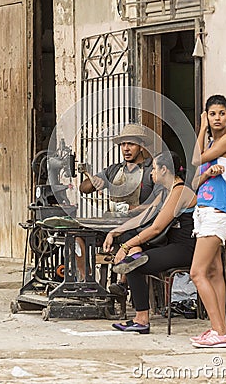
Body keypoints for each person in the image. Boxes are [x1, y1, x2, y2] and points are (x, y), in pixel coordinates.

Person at [102, 151, 197, 334]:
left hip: (185, 248)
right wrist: (116, 232)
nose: (151, 173)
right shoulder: (166, 193)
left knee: (133, 265)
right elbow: (144, 218)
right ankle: (136, 310)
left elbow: (156, 228)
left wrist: (126, 245)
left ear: (164, 170)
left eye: (153, 169)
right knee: (133, 253)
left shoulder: (180, 191)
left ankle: (142, 319)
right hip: (169, 245)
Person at [80, 123, 161, 294]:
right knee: (78, 236)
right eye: (123, 144)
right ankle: (87, 282)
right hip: (110, 223)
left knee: (130, 240)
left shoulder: (151, 171)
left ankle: (122, 284)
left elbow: (160, 205)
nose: (126, 148)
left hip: (137, 225)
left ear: (141, 146)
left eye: (130, 144)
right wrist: (93, 181)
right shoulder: (114, 170)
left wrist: (134, 208)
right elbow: (83, 188)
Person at [189, 94, 226, 348]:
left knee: (197, 272)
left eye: (222, 113)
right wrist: (208, 172)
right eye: (212, 114)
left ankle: (219, 332)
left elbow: (195, 160)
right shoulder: (212, 143)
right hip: (204, 213)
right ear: (207, 117)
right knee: (214, 272)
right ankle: (219, 328)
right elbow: (194, 178)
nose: (217, 118)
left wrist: (201, 129)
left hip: (217, 213)